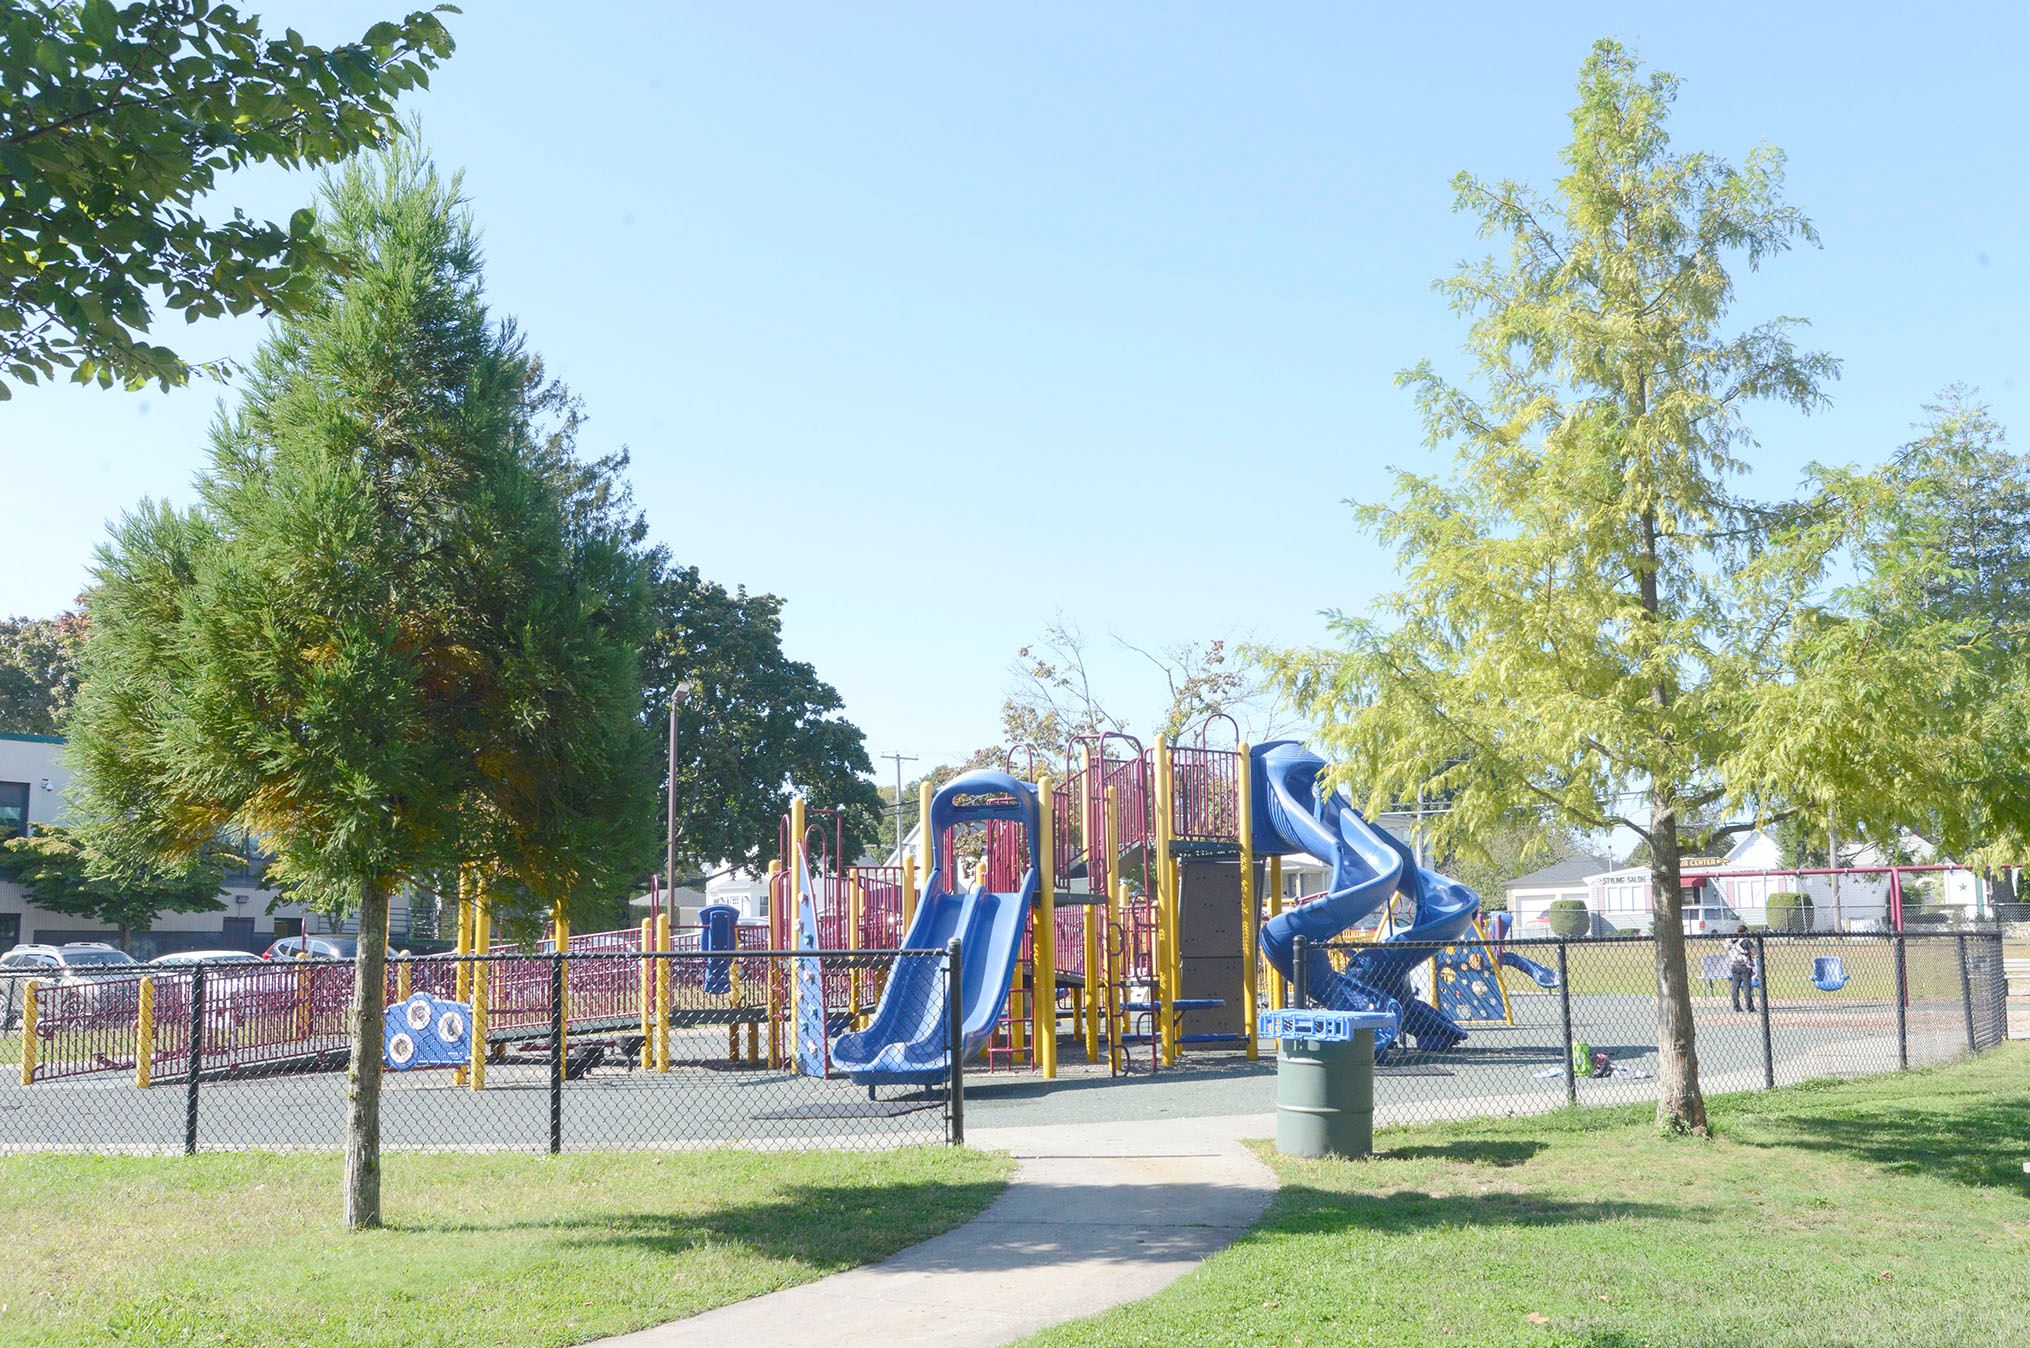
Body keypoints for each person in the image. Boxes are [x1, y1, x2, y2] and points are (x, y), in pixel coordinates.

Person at [1726, 927, 1757, 1012]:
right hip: (1745, 965)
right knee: (1747, 986)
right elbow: (1754, 952)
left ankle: (1736, 1007)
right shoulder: (1745, 941)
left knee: (1735, 986)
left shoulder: (1730, 941)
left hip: (1734, 965)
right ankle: (1749, 1007)